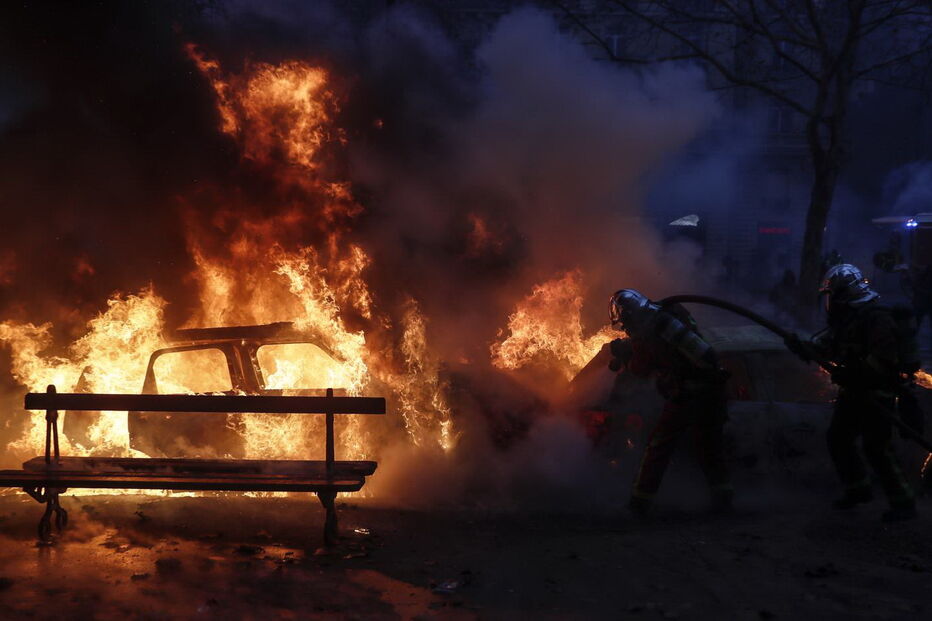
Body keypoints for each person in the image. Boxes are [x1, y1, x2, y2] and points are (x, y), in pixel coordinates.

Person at [786, 264, 920, 521]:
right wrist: (800, 347)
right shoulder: (848, 319)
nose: (830, 302)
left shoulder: (876, 317)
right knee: (838, 438)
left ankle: (904, 502)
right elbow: (825, 349)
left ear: (845, 293)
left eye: (832, 295)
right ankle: (858, 489)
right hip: (855, 391)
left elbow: (884, 358)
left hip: (877, 393)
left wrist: (855, 375)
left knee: (876, 448)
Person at [608, 289, 732, 515]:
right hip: (712, 393)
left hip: (689, 395)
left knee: (659, 445)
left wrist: (627, 355)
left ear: (630, 316)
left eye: (624, 322)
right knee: (709, 448)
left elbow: (641, 369)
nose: (625, 328)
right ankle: (723, 499)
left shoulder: (653, 330)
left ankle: (639, 504)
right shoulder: (669, 315)